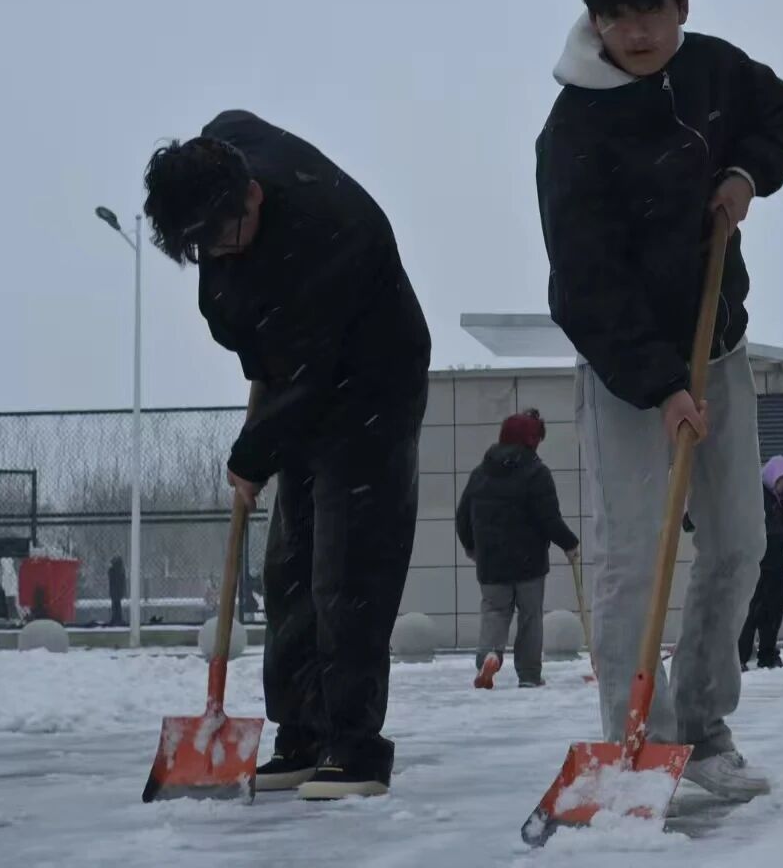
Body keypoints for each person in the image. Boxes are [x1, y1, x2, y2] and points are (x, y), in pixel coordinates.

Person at [536, 0, 783, 801]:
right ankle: (634, 741)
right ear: (596, 22)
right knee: (634, 553)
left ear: (681, 6)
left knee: (739, 542)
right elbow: (583, 286)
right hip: (627, 371)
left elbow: (778, 110)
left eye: (652, 11)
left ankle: (702, 727)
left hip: (717, 344)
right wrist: (659, 386)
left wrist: (747, 176)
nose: (637, 32)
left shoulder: (714, 69)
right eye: (617, 16)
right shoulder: (573, 131)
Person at [142, 110, 431, 801]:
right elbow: (280, 353)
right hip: (297, 372)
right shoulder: (220, 161)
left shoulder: (333, 229)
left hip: (372, 381)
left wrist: (251, 455)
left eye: (225, 237)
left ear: (255, 196)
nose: (218, 254)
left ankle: (355, 746)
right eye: (202, 247)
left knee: (347, 567)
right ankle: (301, 734)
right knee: (290, 567)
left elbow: (310, 372)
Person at [456, 410, 580, 689]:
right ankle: (529, 675)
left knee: (494, 611)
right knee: (530, 617)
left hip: (490, 562)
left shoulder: (480, 473)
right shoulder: (537, 473)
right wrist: (570, 543)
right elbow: (549, 519)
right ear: (531, 440)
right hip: (529, 562)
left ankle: (490, 656)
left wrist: (470, 546)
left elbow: (463, 515)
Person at [738, 457, 783, 670]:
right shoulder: (758, 496)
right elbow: (765, 527)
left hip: (778, 565)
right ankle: (739, 657)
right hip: (759, 564)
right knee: (752, 612)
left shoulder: (782, 498)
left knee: (773, 613)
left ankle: (768, 654)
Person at [108, 556, 126, 627]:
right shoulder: (119, 571)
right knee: (116, 605)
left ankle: (116, 619)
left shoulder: (114, 571)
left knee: (116, 605)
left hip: (115, 591)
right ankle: (117, 619)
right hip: (116, 591)